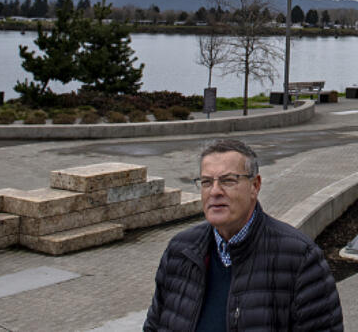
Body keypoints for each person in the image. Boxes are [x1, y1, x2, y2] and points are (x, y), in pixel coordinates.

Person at [145, 138, 343, 331]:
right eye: (206, 182)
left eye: (228, 180)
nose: (215, 191)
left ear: (255, 186)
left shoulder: (300, 259)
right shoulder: (180, 250)